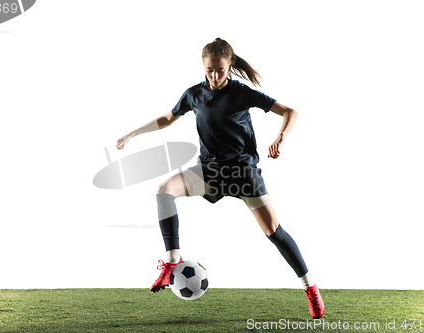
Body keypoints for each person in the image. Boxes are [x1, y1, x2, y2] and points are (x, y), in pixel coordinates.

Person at [116, 38, 324, 319]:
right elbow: (167, 118)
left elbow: (290, 112)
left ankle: (310, 288)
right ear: (204, 67)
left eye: (220, 71)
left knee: (273, 231)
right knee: (164, 189)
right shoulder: (194, 94)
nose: (214, 76)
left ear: (230, 66)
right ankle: (171, 261)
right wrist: (131, 134)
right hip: (209, 171)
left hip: (242, 172)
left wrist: (280, 138)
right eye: (209, 70)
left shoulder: (241, 93)